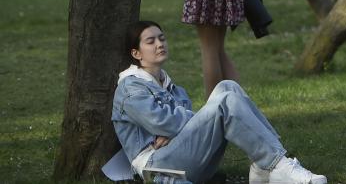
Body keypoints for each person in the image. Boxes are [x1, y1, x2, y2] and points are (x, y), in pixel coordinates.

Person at [112, 20, 326, 184]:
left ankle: (266, 165)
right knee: (224, 102)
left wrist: (176, 128)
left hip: (180, 158)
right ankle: (276, 165)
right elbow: (165, 124)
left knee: (227, 87)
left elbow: (175, 125)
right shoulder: (131, 88)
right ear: (136, 53)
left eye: (162, 38)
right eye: (151, 41)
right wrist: (181, 124)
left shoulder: (168, 84)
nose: (160, 44)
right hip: (158, 166)